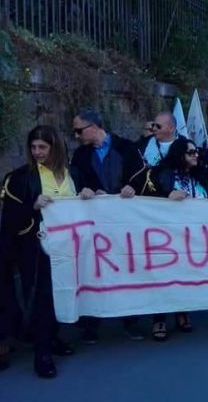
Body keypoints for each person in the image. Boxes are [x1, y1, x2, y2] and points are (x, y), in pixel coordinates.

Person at [0, 126, 96, 378]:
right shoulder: (20, 178)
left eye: (42, 147)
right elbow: (9, 219)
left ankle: (52, 338)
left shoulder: (74, 173)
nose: (37, 152)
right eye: (33, 147)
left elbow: (90, 202)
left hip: (71, 248)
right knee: (43, 298)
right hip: (37, 248)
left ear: (55, 147)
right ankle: (42, 353)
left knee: (64, 293)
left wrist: (90, 195)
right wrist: (33, 206)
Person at [71, 109, 146, 344]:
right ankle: (91, 325)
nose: (76, 135)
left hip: (125, 223)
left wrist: (130, 188)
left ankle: (130, 321)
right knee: (93, 270)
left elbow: (141, 178)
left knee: (127, 269)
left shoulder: (127, 148)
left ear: (94, 127)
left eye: (79, 130)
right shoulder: (80, 156)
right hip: (95, 224)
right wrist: (87, 191)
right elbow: (77, 182)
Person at [134, 138, 207, 340]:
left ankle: (182, 311)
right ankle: (159, 319)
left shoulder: (200, 174)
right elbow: (147, 201)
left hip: (192, 237)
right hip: (165, 238)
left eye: (196, 152)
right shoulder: (160, 175)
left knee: (185, 275)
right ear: (179, 155)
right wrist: (167, 196)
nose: (196, 155)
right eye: (191, 153)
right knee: (163, 277)